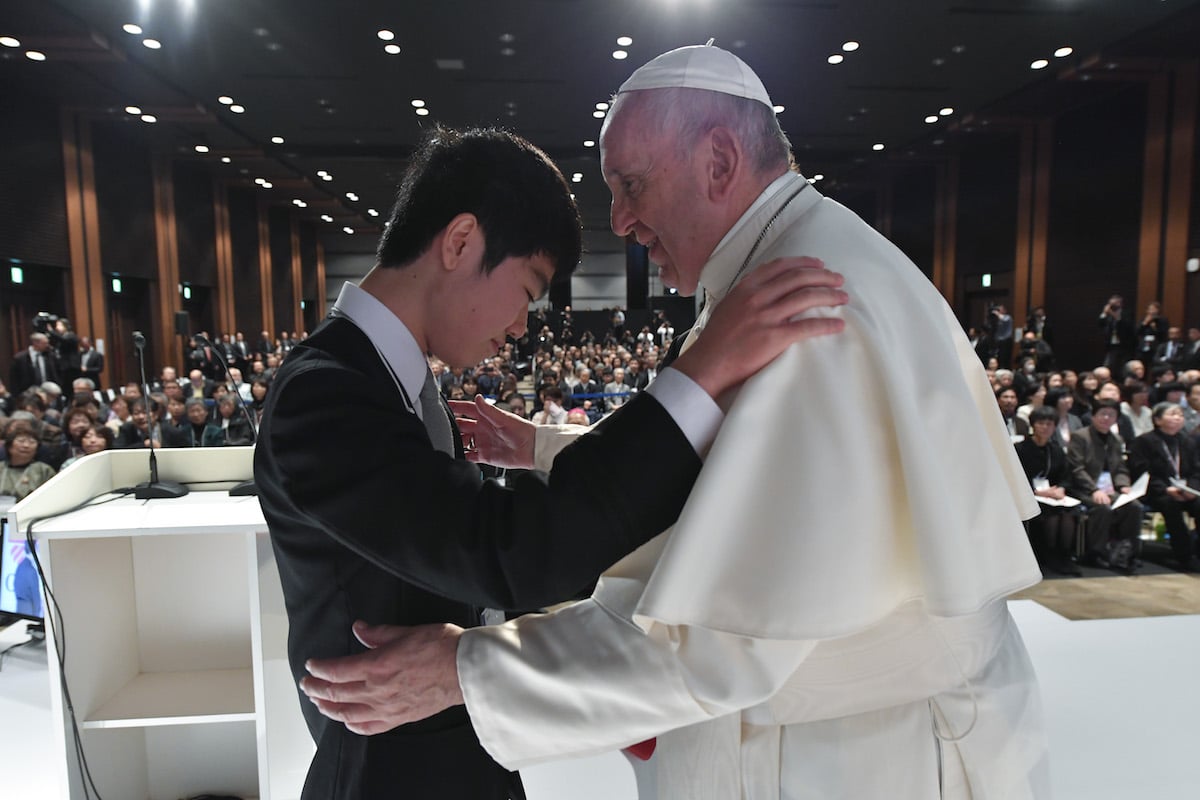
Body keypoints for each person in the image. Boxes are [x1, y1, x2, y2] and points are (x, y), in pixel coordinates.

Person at [301, 46, 1046, 800]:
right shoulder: (778, 269)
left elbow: (723, 642)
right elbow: (731, 478)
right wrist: (546, 448)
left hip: (866, 755)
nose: (621, 220)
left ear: (719, 160)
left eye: (631, 185)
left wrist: (471, 670)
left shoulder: (811, 304)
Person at [252, 125, 847, 800]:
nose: (519, 328)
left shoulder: (395, 382)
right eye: (529, 291)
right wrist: (699, 375)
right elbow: (510, 550)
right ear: (459, 243)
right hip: (386, 775)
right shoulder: (322, 393)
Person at [1066, 398, 1143, 573]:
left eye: (1111, 415)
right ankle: (1095, 553)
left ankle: (1126, 552)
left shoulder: (1116, 439)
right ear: (1093, 416)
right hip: (1084, 488)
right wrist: (1094, 489)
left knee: (1134, 506)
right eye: (1102, 414)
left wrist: (1124, 486)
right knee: (1103, 508)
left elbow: (1121, 468)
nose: (1106, 418)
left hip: (1110, 488)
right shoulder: (1080, 437)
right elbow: (1077, 469)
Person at [1128, 403, 1200, 570]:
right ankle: (1184, 555)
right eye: (1172, 414)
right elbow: (1141, 471)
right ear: (1158, 420)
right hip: (1156, 490)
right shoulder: (1144, 441)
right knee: (1171, 505)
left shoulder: (1188, 441)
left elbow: (1197, 469)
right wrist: (1165, 489)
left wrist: (1192, 488)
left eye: (1180, 415)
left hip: (1186, 489)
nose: (1177, 418)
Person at [1015, 406, 1081, 575]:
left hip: (1052, 495)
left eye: (1049, 424)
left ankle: (1064, 555)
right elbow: (1015, 476)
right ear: (1033, 425)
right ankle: (1048, 554)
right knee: (1050, 514)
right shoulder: (1020, 449)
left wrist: (1061, 489)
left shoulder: (1056, 450)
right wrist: (1036, 492)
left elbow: (1066, 475)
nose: (1045, 427)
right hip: (1029, 495)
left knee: (1068, 513)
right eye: (1041, 423)